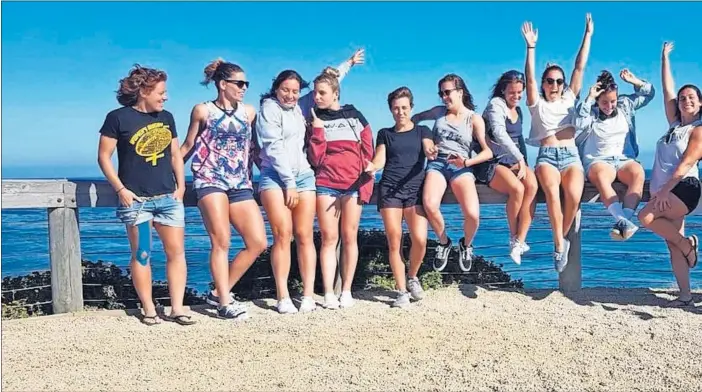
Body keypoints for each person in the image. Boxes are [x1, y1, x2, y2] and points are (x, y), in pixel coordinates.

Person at [256, 49, 365, 314]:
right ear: (276, 89)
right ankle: (282, 296)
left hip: (304, 176)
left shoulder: (301, 106)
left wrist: (348, 64)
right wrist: (288, 182)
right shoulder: (268, 109)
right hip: (277, 177)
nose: (291, 95)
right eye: (285, 90)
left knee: (305, 236)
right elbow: (273, 147)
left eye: (295, 91)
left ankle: (307, 295)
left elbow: (329, 80)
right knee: (283, 235)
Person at [97, 65, 195, 326]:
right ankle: (149, 309)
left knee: (176, 253)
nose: (165, 97)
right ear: (144, 91)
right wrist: (121, 189)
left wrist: (181, 186)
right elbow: (104, 157)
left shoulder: (167, 118)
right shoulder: (117, 118)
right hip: (137, 202)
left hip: (168, 199)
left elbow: (175, 154)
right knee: (142, 254)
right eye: (161, 92)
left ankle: (177, 308)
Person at [179, 59, 268, 320]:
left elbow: (254, 150)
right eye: (239, 83)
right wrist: (169, 176)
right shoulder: (202, 111)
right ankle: (224, 303)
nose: (244, 88)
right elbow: (188, 146)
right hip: (209, 179)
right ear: (222, 84)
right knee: (221, 240)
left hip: (240, 181)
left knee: (258, 242)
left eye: (246, 83)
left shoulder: (249, 113)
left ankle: (220, 291)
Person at [521, 15, 593, 273]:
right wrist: (531, 48)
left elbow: (579, 68)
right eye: (550, 81)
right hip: (547, 157)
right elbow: (528, 78)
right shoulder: (536, 103)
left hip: (571, 154)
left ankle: (561, 238)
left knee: (574, 196)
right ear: (543, 83)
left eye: (558, 81)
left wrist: (588, 35)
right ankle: (559, 247)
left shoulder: (570, 98)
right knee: (552, 194)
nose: (555, 84)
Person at [638, 42, 701, 307]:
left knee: (645, 217)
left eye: (691, 98)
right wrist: (664, 57)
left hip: (684, 187)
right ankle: (685, 295)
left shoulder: (698, 129)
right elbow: (666, 90)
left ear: (700, 103)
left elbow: (687, 162)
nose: (685, 101)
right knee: (671, 245)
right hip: (666, 190)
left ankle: (689, 246)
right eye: (683, 97)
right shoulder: (674, 126)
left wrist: (664, 191)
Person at [306, 68, 374, 310]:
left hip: (353, 185)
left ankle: (346, 291)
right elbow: (315, 158)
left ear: (335, 93)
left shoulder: (356, 116)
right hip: (326, 185)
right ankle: (327, 293)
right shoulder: (316, 119)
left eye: (322, 93)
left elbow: (369, 153)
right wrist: (316, 130)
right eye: (315, 93)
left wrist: (366, 186)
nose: (317, 97)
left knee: (349, 237)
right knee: (328, 238)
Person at [412, 74, 493, 273]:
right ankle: (444, 242)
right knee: (430, 204)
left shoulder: (473, 119)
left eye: (447, 92)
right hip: (437, 165)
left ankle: (465, 245)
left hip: (461, 167)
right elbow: (415, 120)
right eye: (441, 93)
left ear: (460, 92)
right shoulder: (439, 112)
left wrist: (466, 161)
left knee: (473, 215)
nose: (444, 97)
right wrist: (427, 141)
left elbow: (487, 151)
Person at [365, 87, 433, 308]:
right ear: (391, 110)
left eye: (404, 107)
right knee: (395, 241)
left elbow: (428, 148)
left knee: (420, 240)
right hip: (390, 191)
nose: (400, 112)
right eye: (396, 108)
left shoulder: (423, 131)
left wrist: (432, 152)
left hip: (415, 192)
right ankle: (401, 291)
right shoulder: (385, 133)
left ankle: (412, 277)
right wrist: (371, 167)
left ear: (411, 108)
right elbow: (380, 159)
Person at [575, 69, 654, 241]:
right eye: (604, 102)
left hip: (625, 160)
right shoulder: (590, 112)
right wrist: (589, 98)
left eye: (612, 101)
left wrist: (635, 81)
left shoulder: (625, 104)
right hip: (598, 161)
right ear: (597, 100)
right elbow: (578, 122)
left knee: (638, 173)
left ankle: (623, 221)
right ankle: (623, 220)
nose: (609, 106)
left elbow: (649, 93)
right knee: (603, 178)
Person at [478, 70, 539, 265]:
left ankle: (521, 240)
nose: (517, 96)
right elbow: (499, 133)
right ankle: (513, 238)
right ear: (503, 90)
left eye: (520, 92)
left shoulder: (518, 110)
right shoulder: (496, 105)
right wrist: (520, 158)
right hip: (492, 161)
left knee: (532, 186)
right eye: (512, 92)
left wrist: (525, 165)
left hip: (513, 159)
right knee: (517, 189)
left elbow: (518, 139)